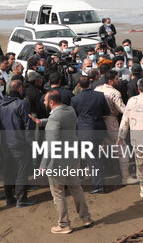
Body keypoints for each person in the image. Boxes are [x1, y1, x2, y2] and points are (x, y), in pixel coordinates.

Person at [39, 90, 93, 234]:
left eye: (45, 101)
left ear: (51, 102)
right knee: (76, 188)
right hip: (72, 157)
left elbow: (51, 144)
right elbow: (62, 123)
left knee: (58, 193)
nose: (44, 103)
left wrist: (43, 165)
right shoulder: (70, 110)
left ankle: (64, 224)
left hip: (58, 162)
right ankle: (86, 217)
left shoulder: (55, 117)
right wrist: (43, 121)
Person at [95, 70, 138, 185]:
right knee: (122, 149)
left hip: (97, 123)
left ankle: (92, 174)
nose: (118, 80)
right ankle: (126, 176)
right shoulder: (115, 93)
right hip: (111, 122)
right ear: (110, 81)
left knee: (98, 149)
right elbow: (123, 110)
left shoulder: (97, 89)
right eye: (116, 79)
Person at [0, 80, 37, 207]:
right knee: (22, 171)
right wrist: (31, 141)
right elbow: (28, 125)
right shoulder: (22, 104)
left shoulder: (1, 105)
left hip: (6, 143)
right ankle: (22, 199)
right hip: (20, 143)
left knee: (8, 170)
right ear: (20, 89)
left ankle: (9, 197)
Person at [70, 76, 110, 193]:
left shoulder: (75, 99)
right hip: (99, 130)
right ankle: (99, 182)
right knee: (95, 157)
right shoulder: (99, 95)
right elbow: (106, 112)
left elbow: (74, 116)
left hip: (86, 132)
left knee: (92, 159)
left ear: (79, 85)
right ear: (90, 84)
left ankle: (100, 186)